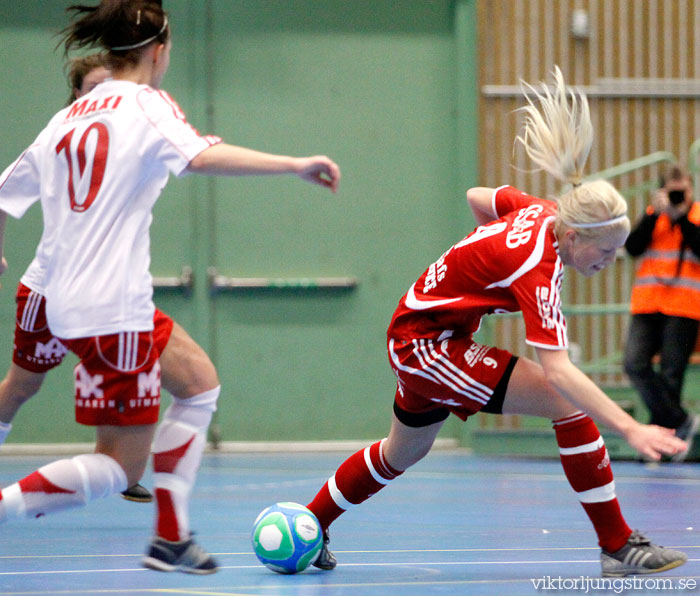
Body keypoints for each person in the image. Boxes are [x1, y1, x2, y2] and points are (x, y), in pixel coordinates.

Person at [303, 67, 687, 578]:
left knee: (401, 454)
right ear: (574, 239)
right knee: (566, 404)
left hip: (428, 334)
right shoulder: (538, 263)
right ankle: (617, 545)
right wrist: (630, 428)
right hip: (427, 345)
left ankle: (311, 524)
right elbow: (558, 371)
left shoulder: (543, 211)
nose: (611, 261)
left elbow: (476, 196)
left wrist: (480, 267)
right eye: (607, 251)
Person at [0, 0, 340, 576]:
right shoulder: (146, 103)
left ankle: (171, 536)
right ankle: (22, 510)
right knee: (118, 467)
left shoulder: (68, 117)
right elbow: (203, 156)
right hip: (112, 311)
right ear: (158, 52)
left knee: (199, 383)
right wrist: (293, 163)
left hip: (62, 300)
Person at [0, 52, 152, 504]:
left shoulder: (134, 135)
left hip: (109, 296)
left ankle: (119, 464)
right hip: (52, 290)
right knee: (22, 387)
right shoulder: (60, 135)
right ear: (77, 98)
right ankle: (118, 467)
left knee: (189, 376)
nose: (105, 97)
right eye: (93, 89)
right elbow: (4, 189)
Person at [623, 165, 700, 462]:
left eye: (683, 190)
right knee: (633, 363)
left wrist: (680, 217)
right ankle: (681, 422)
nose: (678, 195)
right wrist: (655, 211)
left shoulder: (694, 216)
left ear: (691, 190)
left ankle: (660, 447)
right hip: (647, 303)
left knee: (671, 375)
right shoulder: (654, 214)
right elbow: (632, 247)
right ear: (663, 190)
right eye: (672, 190)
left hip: (684, 305)